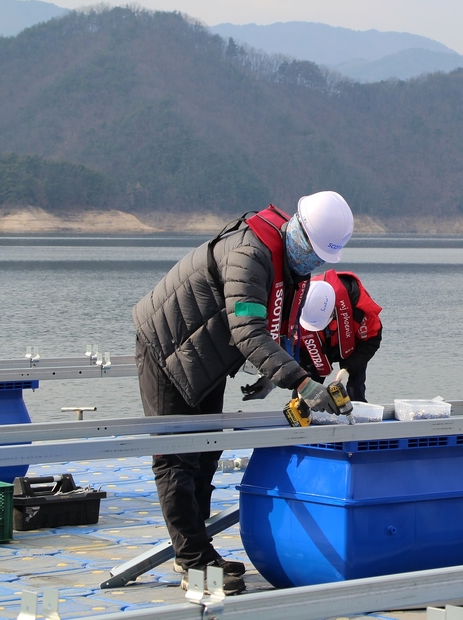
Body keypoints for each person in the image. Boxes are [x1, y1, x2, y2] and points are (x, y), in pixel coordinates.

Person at [132, 191, 354, 595]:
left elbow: (272, 326)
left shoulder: (288, 263)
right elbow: (247, 330)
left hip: (203, 353)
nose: (316, 263)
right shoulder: (249, 254)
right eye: (314, 252)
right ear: (298, 231)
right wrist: (301, 382)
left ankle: (201, 551)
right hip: (167, 347)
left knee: (206, 451)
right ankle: (194, 565)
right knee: (177, 460)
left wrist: (272, 372)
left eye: (324, 257)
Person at [294, 270, 382, 402]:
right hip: (315, 345)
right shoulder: (298, 306)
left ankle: (358, 414)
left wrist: (348, 369)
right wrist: (301, 381)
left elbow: (371, 340)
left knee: (355, 387)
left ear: (333, 310)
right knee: (304, 392)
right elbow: (296, 349)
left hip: (352, 344)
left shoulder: (360, 307)